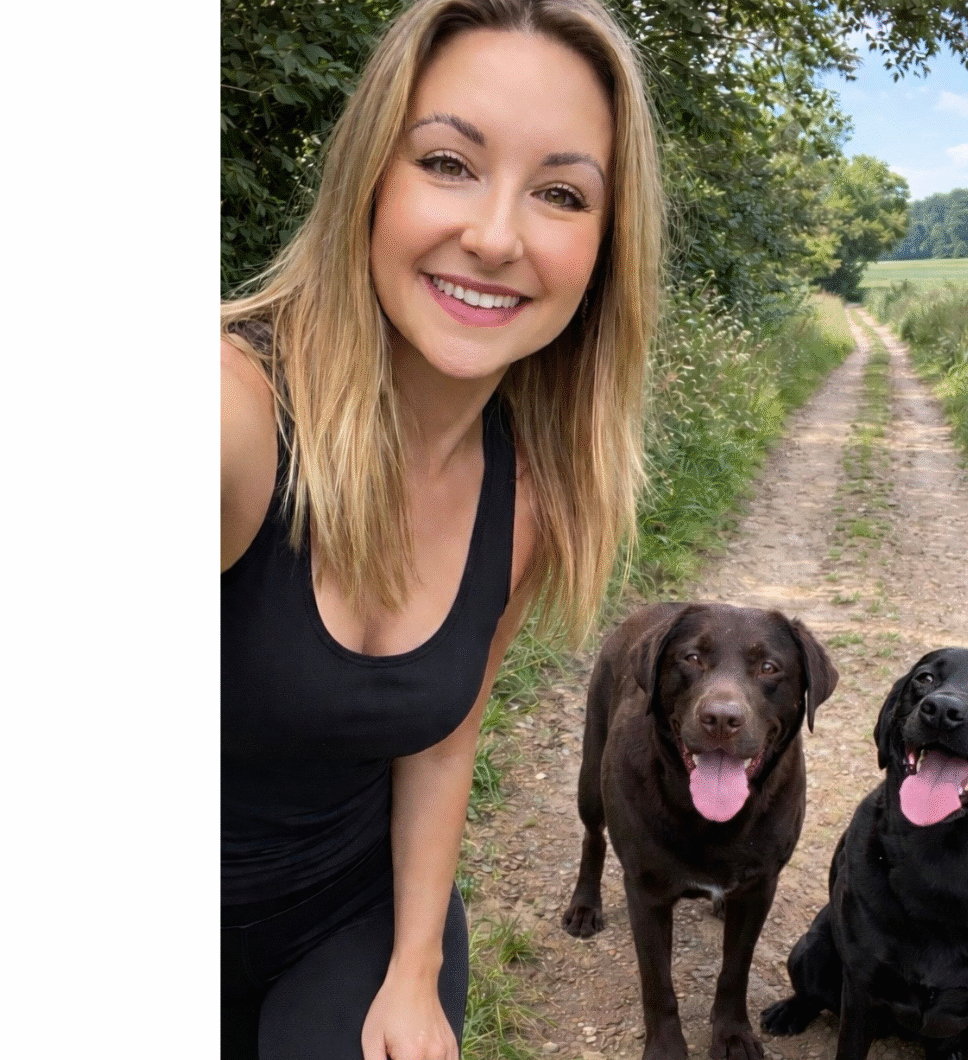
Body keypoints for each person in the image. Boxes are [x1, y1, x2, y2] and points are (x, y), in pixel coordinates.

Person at [219, 1, 662, 1056]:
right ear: (371, 177)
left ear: (604, 249)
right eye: (449, 163)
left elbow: (441, 730)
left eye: (559, 193)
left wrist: (415, 970)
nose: (496, 235)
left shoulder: (537, 496)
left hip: (347, 919)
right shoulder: (229, 418)